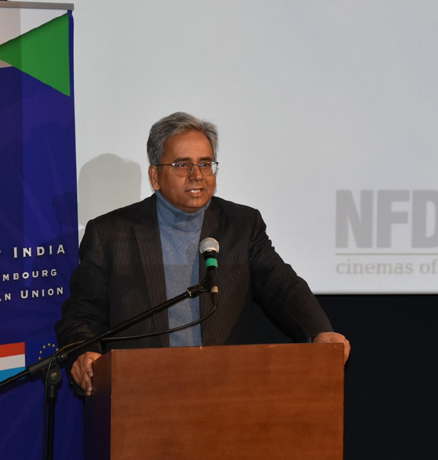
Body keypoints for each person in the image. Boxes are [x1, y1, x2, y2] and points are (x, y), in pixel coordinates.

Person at [56, 112, 350, 395]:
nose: (196, 175)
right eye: (182, 164)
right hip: (140, 393)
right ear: (155, 176)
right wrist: (84, 353)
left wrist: (319, 331)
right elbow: (82, 314)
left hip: (224, 390)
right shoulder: (110, 233)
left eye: (205, 164)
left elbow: (281, 285)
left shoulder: (241, 225)